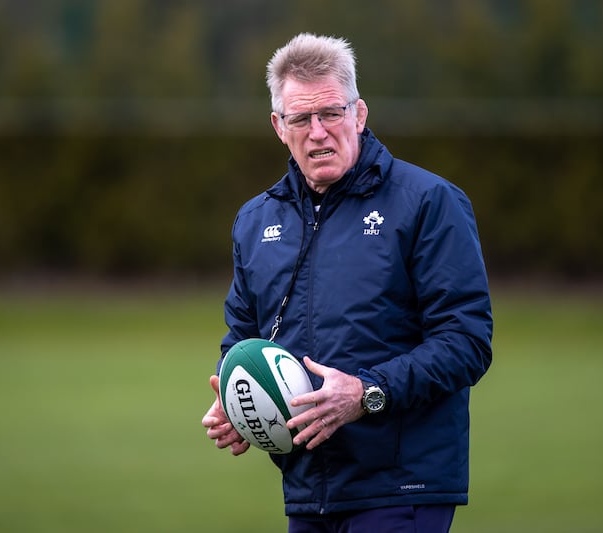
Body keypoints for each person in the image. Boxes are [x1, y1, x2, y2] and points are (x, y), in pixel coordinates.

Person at [201, 33, 493, 533]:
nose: (318, 132)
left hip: (402, 489)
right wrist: (235, 396)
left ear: (359, 114)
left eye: (331, 114)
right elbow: (244, 339)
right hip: (308, 491)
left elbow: (467, 342)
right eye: (301, 118)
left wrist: (366, 393)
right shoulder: (254, 222)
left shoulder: (428, 203)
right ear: (279, 126)